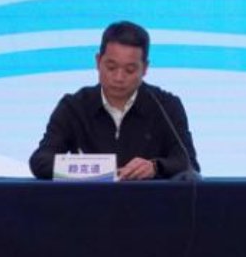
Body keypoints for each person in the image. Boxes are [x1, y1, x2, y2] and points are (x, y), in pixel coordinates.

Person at [29, 20, 199, 180]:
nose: (119, 77)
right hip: (89, 199)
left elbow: (188, 163)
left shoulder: (166, 106)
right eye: (111, 67)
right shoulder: (74, 107)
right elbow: (40, 161)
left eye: (129, 70)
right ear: (98, 62)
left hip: (148, 200)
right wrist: (93, 170)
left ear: (145, 68)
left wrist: (156, 167)